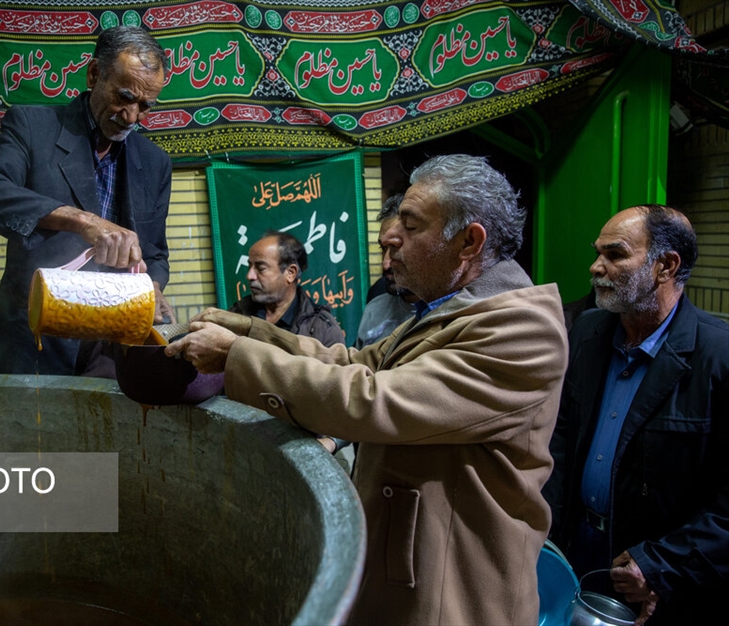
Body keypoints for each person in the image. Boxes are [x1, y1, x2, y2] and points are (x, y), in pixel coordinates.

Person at [166, 154, 568, 625]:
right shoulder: (443, 311)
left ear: (468, 242)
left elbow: (376, 400)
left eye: (412, 226)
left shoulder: (521, 329)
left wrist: (236, 358)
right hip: (402, 565)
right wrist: (251, 333)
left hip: (450, 592)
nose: (392, 239)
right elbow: (355, 364)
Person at [543, 204, 728, 625]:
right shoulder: (588, 331)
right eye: (597, 253)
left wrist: (663, 562)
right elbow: (562, 437)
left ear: (665, 266)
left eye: (615, 254)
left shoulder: (718, 358)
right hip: (576, 551)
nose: (595, 267)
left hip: (655, 577)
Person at [0, 26, 175, 375]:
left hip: (111, 352)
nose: (132, 117)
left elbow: (155, 254)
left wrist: (152, 286)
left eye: (144, 105)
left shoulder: (155, 162)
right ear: (94, 75)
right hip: (34, 345)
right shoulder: (34, 126)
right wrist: (82, 220)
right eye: (123, 97)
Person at [229, 231, 344, 348]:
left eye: (261, 268)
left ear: (290, 273)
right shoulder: (237, 315)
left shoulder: (323, 329)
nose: (250, 276)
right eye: (250, 267)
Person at [353, 193, 418, 349]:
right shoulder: (377, 298)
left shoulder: (453, 313)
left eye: (396, 248)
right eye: (383, 248)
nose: (385, 264)